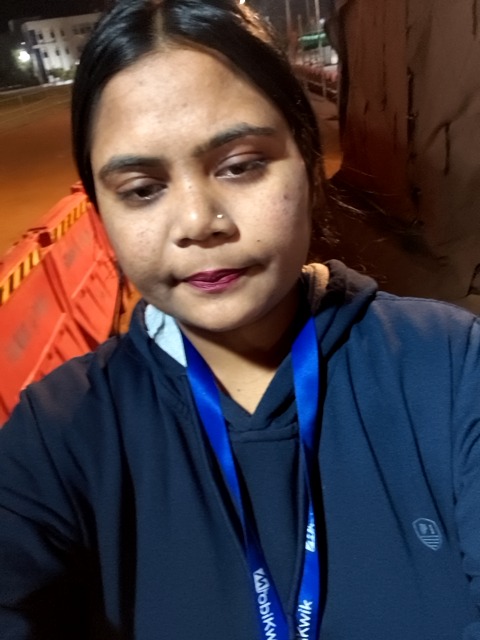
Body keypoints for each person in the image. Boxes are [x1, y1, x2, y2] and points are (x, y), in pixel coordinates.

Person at [0, 1, 479, 638]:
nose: (199, 222)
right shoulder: (58, 435)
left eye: (241, 165)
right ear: (101, 211)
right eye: (142, 189)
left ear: (309, 162)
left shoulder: (449, 369)